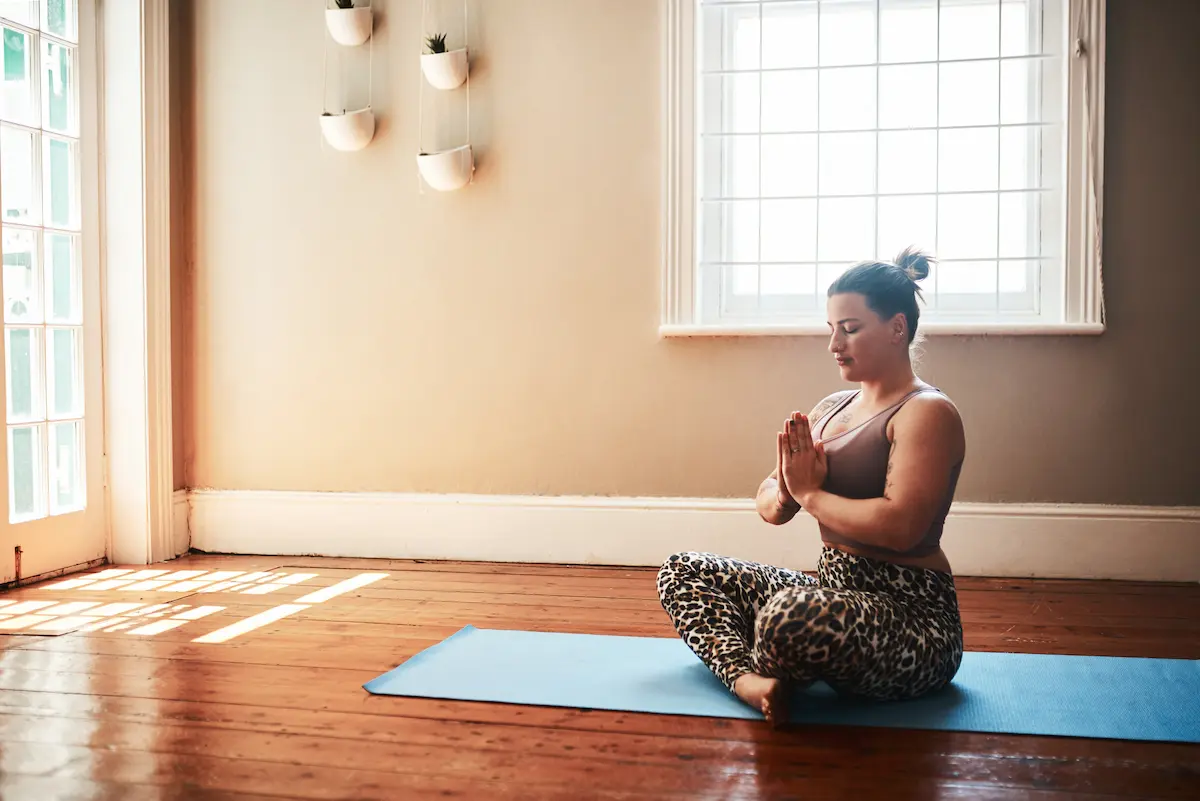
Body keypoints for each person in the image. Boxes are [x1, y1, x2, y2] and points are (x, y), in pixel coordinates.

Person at [656, 246, 967, 726]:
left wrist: (811, 495)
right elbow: (769, 502)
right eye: (832, 329)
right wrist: (786, 491)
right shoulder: (831, 409)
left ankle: (772, 657)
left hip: (913, 621)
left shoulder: (927, 412)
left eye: (851, 328)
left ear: (897, 328)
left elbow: (901, 526)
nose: (835, 344)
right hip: (832, 589)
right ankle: (751, 680)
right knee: (683, 571)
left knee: (788, 616)